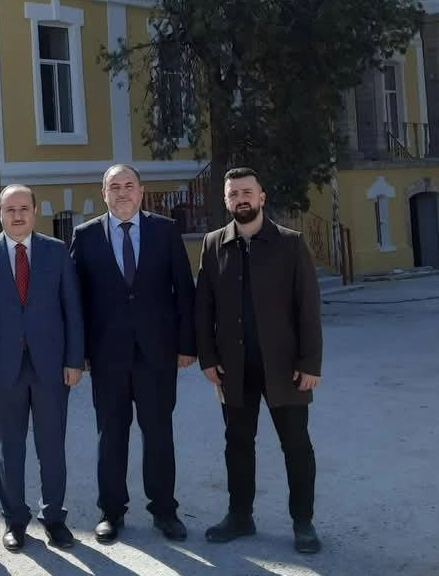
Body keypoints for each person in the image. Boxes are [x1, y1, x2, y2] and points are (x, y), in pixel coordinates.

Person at [194, 167, 323, 554]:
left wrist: (310, 362)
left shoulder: (290, 243)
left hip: (285, 367)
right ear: (226, 201)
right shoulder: (214, 244)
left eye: (247, 192)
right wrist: (207, 357)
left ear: (262, 197)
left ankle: (303, 522)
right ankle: (240, 516)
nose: (241, 199)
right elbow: (204, 307)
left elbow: (307, 307)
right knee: (237, 444)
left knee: (296, 445)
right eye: (233, 194)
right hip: (233, 367)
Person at [69, 164, 196, 543]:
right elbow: (75, 300)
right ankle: (111, 511)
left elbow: (183, 290)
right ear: (104, 193)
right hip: (107, 355)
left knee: (158, 433)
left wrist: (187, 345)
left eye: (128, 185)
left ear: (141, 191)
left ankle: (164, 510)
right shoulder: (85, 235)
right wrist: (80, 352)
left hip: (157, 353)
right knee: (111, 434)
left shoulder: (165, 230)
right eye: (114, 187)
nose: (122, 192)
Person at [0, 184, 85, 551]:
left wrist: (74, 360)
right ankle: (15, 520)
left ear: (34, 212)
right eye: (10, 209)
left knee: (52, 447)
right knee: (10, 448)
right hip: (3, 368)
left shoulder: (56, 250)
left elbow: (72, 309)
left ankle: (55, 518)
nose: (17, 215)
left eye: (23, 209)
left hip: (51, 366)